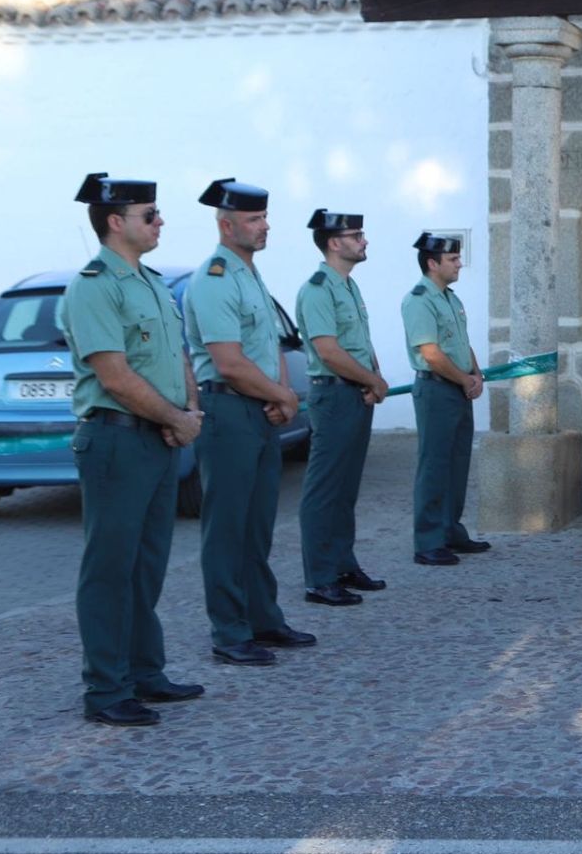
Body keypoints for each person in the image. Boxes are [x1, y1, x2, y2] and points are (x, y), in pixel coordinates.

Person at [59, 173, 206, 725]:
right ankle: (106, 689)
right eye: (150, 214)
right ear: (116, 222)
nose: (160, 221)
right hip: (117, 440)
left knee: (146, 566)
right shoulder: (95, 286)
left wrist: (186, 414)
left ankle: (145, 672)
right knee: (110, 569)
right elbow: (115, 377)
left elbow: (179, 358)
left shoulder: (151, 282)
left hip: (158, 437)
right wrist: (175, 418)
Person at [184, 178, 314, 664]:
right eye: (254, 220)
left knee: (257, 525)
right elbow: (229, 362)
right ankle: (229, 631)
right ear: (226, 224)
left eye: (264, 218)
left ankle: (263, 618)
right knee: (227, 528)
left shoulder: (248, 273)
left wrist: (281, 394)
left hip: (257, 410)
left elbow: (270, 348)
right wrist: (283, 394)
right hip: (229, 411)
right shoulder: (215, 277)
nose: (265, 227)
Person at [293, 209, 391, 607]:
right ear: (335, 243)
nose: (364, 241)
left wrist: (375, 378)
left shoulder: (346, 285)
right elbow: (329, 351)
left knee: (346, 487)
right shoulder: (318, 288)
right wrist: (371, 380)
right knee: (324, 489)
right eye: (357, 235)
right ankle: (319, 577)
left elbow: (360, 344)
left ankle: (342, 563)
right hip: (333, 394)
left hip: (356, 392)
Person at [401, 232, 490, 565]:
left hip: (456, 388)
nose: (459, 264)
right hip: (436, 388)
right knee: (434, 466)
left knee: (456, 464)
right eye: (452, 260)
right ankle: (427, 541)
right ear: (432, 263)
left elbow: (461, 344)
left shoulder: (450, 299)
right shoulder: (419, 299)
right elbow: (432, 353)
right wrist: (464, 378)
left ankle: (450, 529)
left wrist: (475, 373)